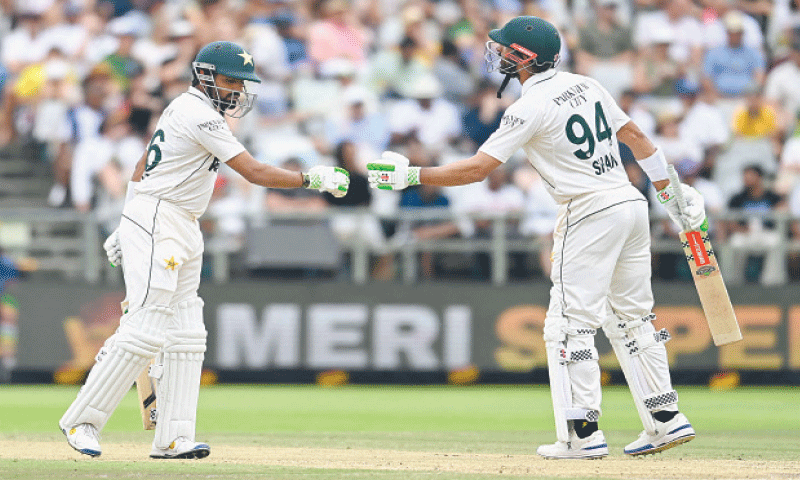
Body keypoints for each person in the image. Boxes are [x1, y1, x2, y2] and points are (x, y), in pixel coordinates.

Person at [367, 16, 705, 459]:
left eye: (505, 49)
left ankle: (580, 434)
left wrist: (411, 174)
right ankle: (665, 417)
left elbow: (479, 168)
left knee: (568, 323)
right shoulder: (589, 85)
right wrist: (671, 192)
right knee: (633, 318)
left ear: (524, 59)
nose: (498, 54)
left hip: (589, 210)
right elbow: (636, 137)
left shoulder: (528, 106)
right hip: (628, 203)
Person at [59, 41, 350, 459]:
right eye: (231, 81)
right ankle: (81, 421)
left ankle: (173, 437)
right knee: (146, 326)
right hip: (161, 216)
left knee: (187, 332)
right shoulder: (197, 112)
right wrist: (312, 179)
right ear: (206, 76)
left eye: (242, 83)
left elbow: (143, 163)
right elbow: (253, 171)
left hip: (182, 222)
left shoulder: (192, 110)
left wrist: (126, 220)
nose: (237, 91)